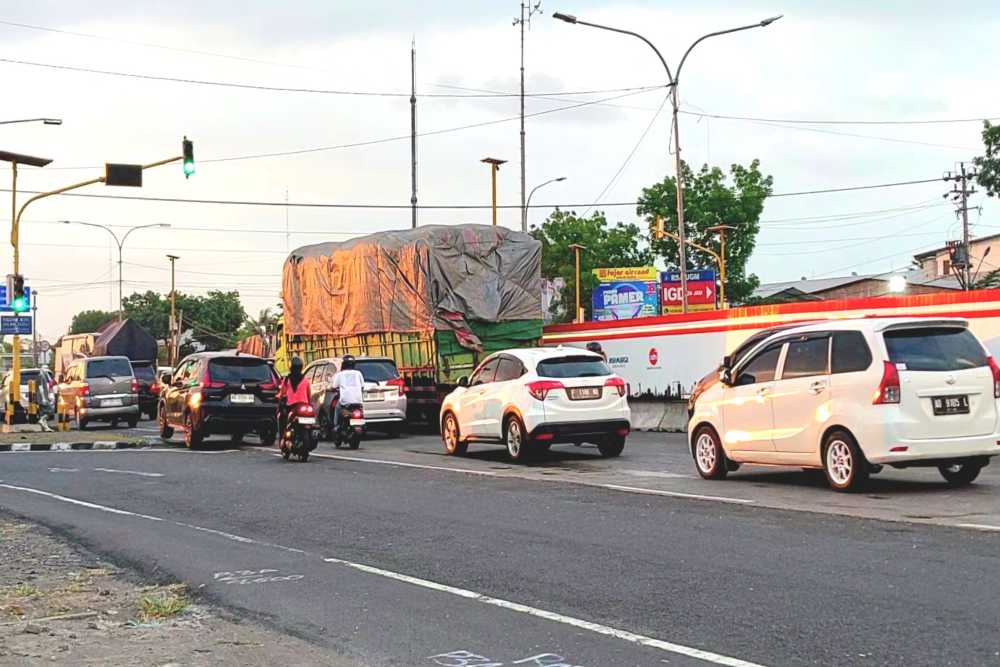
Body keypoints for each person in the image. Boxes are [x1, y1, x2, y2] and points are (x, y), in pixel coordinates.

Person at [278, 356, 312, 442]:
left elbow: (282, 393)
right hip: (304, 405)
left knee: (283, 419)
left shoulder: (287, 380)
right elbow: (309, 395)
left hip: (291, 406)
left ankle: (283, 437)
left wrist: (279, 397)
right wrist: (309, 404)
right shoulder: (306, 380)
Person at [331, 355, 365, 432]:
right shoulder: (358, 373)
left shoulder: (340, 374)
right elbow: (362, 387)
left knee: (337, 408)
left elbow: (334, 387)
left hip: (344, 401)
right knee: (361, 411)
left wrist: (333, 389)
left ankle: (336, 426)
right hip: (358, 401)